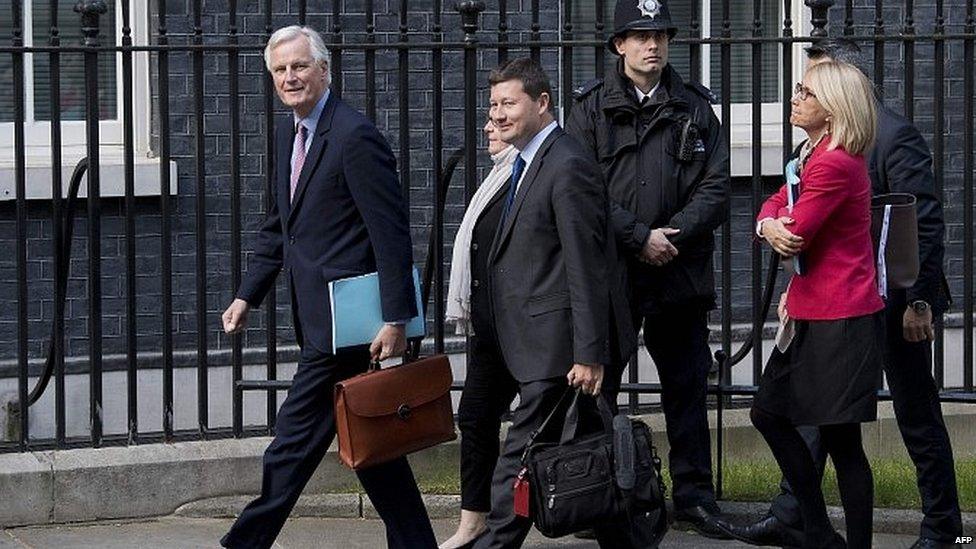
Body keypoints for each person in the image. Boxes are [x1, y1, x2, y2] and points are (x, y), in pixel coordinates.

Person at [723, 39, 962, 549]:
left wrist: (919, 300)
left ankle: (942, 527)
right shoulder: (813, 144)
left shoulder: (893, 137)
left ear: (841, 87)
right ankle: (796, 516)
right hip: (833, 297)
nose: (799, 93)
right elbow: (788, 204)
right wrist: (785, 259)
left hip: (893, 301)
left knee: (915, 414)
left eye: (811, 83)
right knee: (817, 420)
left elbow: (922, 222)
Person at [218, 25, 436, 549]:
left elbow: (391, 233)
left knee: (290, 446)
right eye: (280, 70)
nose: (290, 78)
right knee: (374, 451)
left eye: (298, 66)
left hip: (353, 327)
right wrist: (248, 294)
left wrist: (396, 320)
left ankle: (243, 544)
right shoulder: (287, 133)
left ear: (324, 70)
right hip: (321, 320)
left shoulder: (353, 135)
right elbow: (280, 226)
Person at [565, 0, 731, 538]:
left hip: (679, 269)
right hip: (615, 271)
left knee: (685, 386)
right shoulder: (588, 110)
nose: (652, 45)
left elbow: (717, 186)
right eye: (639, 36)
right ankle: (600, 496)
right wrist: (639, 238)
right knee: (600, 384)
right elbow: (582, 190)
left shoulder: (696, 106)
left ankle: (694, 497)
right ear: (619, 45)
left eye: (659, 34)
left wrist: (670, 236)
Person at [472, 57, 637, 549]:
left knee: (519, 462)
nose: (498, 115)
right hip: (545, 342)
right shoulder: (528, 162)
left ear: (542, 103)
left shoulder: (567, 164)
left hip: (562, 347)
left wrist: (589, 353)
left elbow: (588, 265)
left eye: (509, 103)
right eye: (493, 105)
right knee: (596, 455)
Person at [743, 60, 884, 549]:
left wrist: (779, 224)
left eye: (806, 92)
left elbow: (797, 234)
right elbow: (776, 203)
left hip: (841, 318)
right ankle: (817, 529)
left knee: (844, 443)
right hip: (808, 312)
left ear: (834, 109)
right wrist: (768, 224)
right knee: (767, 414)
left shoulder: (835, 162)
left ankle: (846, 541)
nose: (795, 97)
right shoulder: (811, 153)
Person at [438, 120, 519, 549]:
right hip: (491, 327)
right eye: (490, 112)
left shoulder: (533, 172)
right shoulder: (497, 175)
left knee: (559, 428)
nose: (489, 125)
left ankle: (597, 505)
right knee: (474, 416)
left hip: (526, 327)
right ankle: (474, 522)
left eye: (504, 110)